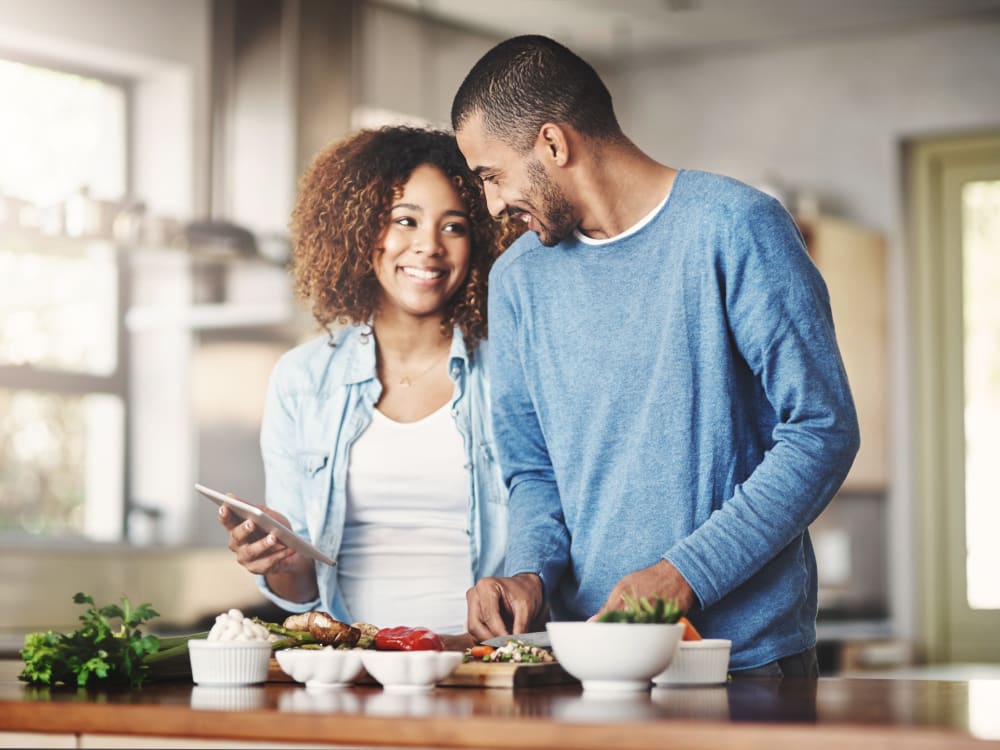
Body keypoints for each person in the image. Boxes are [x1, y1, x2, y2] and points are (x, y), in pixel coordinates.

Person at [451, 35, 860, 675]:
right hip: (585, 660)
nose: (493, 204)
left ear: (554, 144)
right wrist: (528, 571)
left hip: (742, 663)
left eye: (492, 176)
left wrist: (683, 576)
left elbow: (822, 430)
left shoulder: (736, 228)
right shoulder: (517, 280)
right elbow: (533, 470)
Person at [218, 126, 520, 647]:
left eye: (454, 227)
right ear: (361, 232)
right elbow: (302, 595)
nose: (428, 246)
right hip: (351, 670)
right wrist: (278, 561)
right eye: (405, 220)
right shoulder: (303, 380)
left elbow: (550, 538)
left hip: (481, 668)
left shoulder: (513, 369)